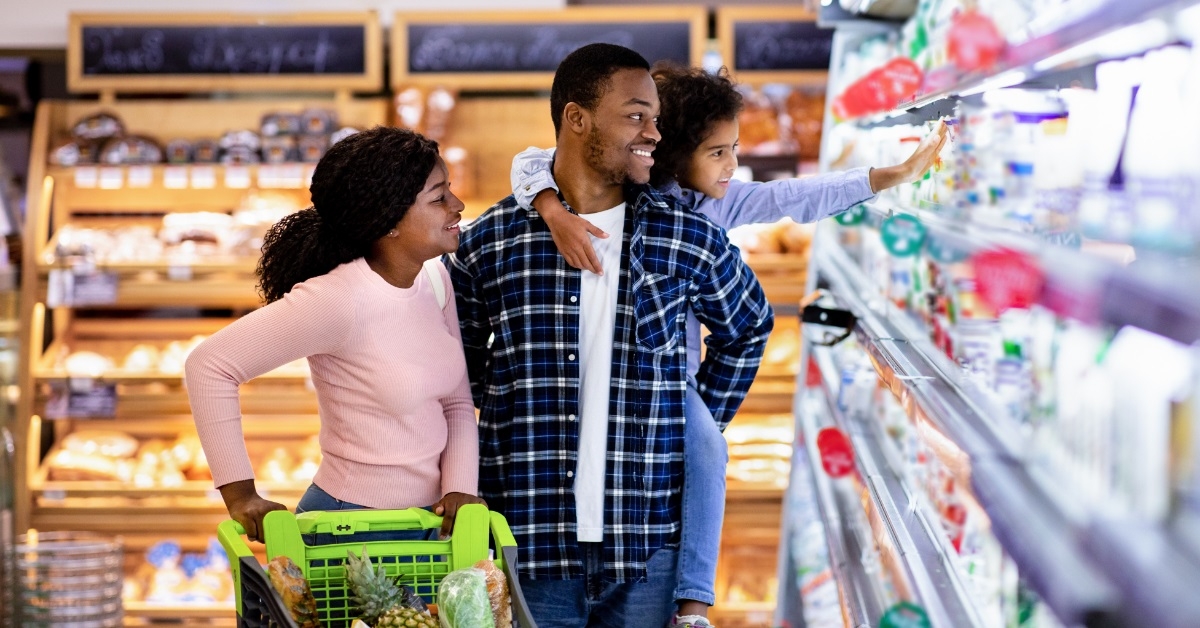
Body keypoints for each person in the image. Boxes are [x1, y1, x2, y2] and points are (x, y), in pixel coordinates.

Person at [509, 63, 947, 626]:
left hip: (672, 383)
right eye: (718, 152)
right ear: (672, 150)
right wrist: (550, 208)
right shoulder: (623, 185)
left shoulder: (719, 205)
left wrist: (889, 175)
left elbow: (794, 197)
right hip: (596, 381)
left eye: (733, 150)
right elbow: (528, 162)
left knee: (708, 450)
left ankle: (693, 599)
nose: (732, 165)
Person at [446, 44, 774, 627]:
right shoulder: (490, 244)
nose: (654, 132)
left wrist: (695, 419)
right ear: (577, 119)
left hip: (646, 549)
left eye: (656, 117)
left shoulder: (686, 238)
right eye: (635, 116)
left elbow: (748, 326)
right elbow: (457, 375)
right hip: (528, 547)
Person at [186, 126, 483, 544]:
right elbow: (209, 365)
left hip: (430, 526)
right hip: (350, 530)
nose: (457, 205)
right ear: (389, 221)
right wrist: (240, 495)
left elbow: (456, 402)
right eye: (438, 197)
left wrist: (460, 491)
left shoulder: (433, 280)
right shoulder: (338, 299)